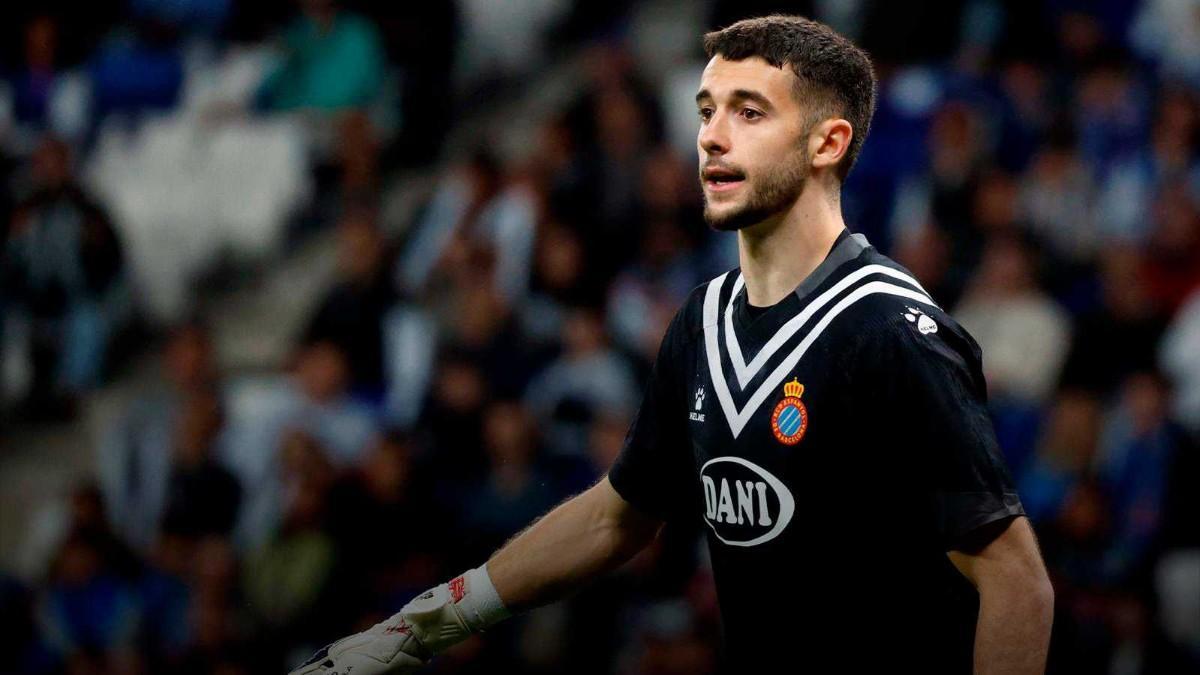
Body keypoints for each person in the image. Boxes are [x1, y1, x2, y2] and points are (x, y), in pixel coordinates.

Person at [292, 15, 1054, 674]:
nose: (713, 137)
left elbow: (1018, 581)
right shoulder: (703, 319)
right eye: (706, 110)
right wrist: (422, 626)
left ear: (828, 143)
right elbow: (616, 515)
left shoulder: (889, 330)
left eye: (749, 113)